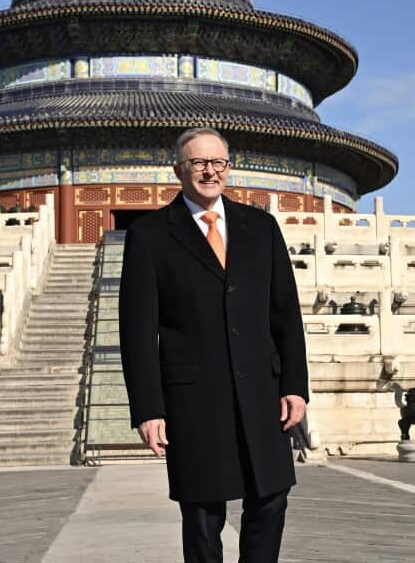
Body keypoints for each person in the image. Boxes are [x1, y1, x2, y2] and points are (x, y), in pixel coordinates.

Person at [119, 127, 308, 563]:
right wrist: (149, 409)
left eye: (218, 163)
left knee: (271, 498)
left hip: (262, 390)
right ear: (178, 170)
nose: (210, 171)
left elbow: (285, 313)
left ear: (229, 168)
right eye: (198, 163)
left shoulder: (260, 227)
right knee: (203, 514)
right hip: (193, 396)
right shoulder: (149, 235)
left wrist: (295, 385)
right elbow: (137, 330)